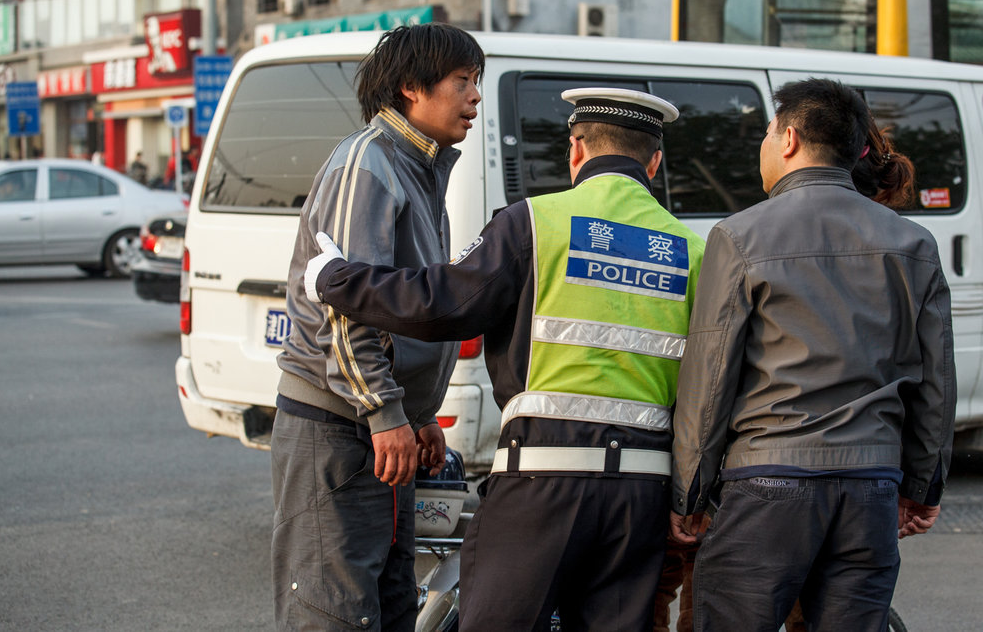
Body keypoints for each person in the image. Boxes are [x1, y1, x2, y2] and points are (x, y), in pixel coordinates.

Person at [306, 87, 705, 630]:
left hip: (542, 482)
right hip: (642, 494)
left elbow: (441, 304)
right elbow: (707, 388)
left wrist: (337, 279)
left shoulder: (533, 222)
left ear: (576, 150)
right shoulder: (693, 251)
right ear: (654, 163)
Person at [669, 78, 955, 632]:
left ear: (790, 138)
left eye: (767, 132)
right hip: (871, 487)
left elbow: (710, 378)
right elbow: (937, 381)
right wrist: (923, 487)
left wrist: (691, 493)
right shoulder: (915, 243)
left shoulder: (740, 236)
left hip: (767, 482)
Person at [269, 23, 483, 631]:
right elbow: (346, 303)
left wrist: (418, 414)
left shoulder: (421, 166)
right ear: (412, 86)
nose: (474, 97)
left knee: (389, 608)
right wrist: (386, 412)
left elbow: (407, 301)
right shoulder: (368, 161)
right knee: (333, 611)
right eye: (462, 81)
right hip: (340, 428)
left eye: (476, 81)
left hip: (384, 429)